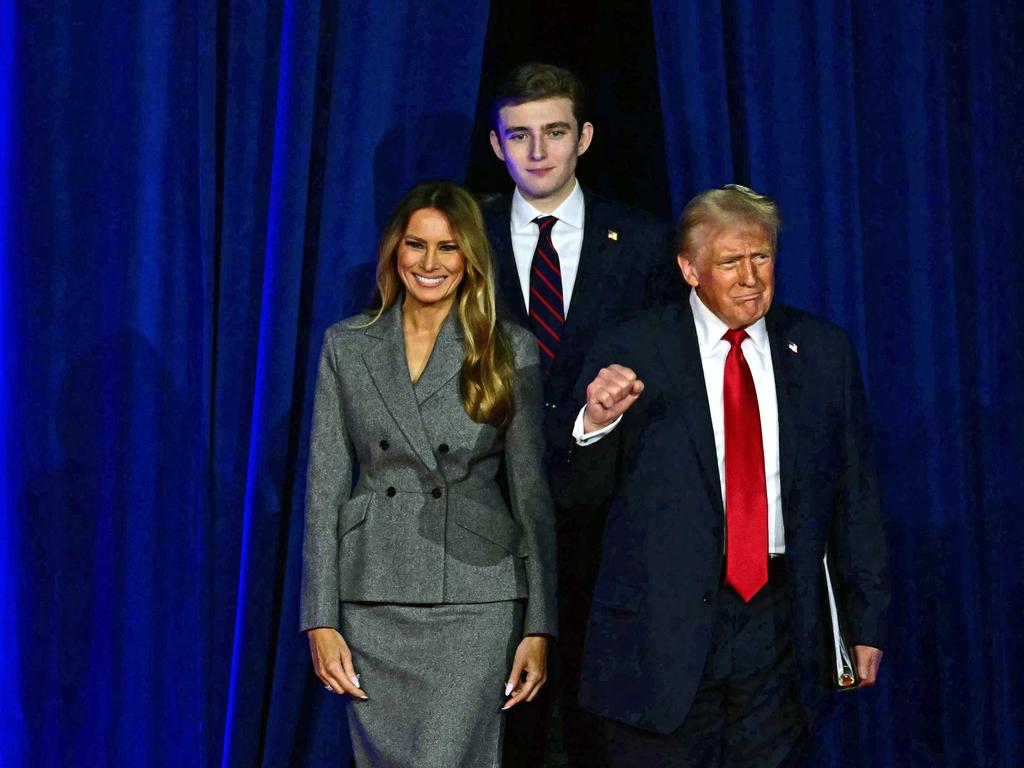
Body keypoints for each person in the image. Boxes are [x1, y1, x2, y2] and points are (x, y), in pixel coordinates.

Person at [566, 184, 891, 766]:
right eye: (729, 262)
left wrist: (867, 621)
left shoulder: (821, 351)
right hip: (659, 635)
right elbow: (576, 497)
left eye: (761, 257)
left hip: (779, 628)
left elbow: (856, 497)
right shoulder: (631, 346)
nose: (750, 277)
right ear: (689, 269)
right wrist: (594, 424)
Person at [300, 180, 558, 767]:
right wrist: (320, 617)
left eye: (448, 247)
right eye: (416, 245)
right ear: (394, 250)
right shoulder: (347, 345)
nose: (430, 263)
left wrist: (540, 626)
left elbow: (531, 494)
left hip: (476, 601)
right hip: (371, 596)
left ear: (470, 259)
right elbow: (323, 490)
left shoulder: (506, 347)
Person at [483, 61, 679, 766]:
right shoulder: (460, 236)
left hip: (606, 521)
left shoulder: (646, 243)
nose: (538, 153)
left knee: (594, 726)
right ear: (497, 143)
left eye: (555, 132)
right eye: (521, 135)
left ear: (585, 137)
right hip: (488, 521)